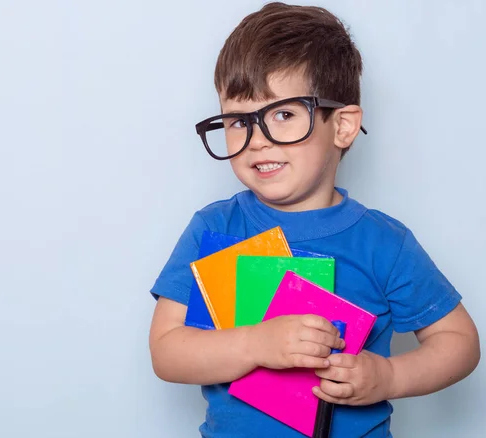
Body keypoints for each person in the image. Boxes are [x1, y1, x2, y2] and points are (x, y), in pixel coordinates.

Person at [147, 3, 480, 437]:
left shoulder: (383, 243)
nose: (257, 141)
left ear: (342, 126)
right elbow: (167, 352)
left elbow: (460, 342)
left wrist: (391, 377)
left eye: (283, 114)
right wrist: (256, 344)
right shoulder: (215, 227)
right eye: (237, 121)